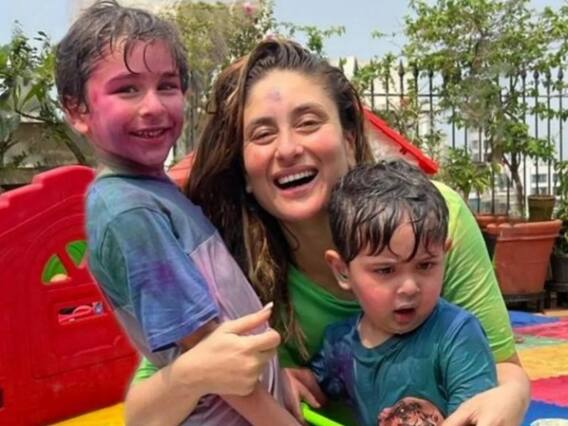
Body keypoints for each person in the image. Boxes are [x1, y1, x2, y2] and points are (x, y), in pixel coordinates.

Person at [125, 39, 530, 426]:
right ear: (244, 169)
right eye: (263, 134)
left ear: (349, 139)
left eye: (308, 122)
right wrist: (232, 377)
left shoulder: (431, 219)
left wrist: (512, 394)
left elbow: (504, 370)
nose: (288, 149)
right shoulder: (224, 261)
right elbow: (142, 414)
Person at [54, 2, 298, 425]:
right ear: (78, 111)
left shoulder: (153, 192)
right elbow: (208, 355)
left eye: (166, 86)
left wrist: (284, 385)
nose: (153, 106)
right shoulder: (128, 212)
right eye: (127, 89)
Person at [305, 161, 497, 425]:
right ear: (342, 271)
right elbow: (312, 390)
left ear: (444, 255)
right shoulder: (339, 347)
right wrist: (289, 381)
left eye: (425, 265)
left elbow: (477, 417)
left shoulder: (457, 336)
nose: (409, 287)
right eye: (385, 270)